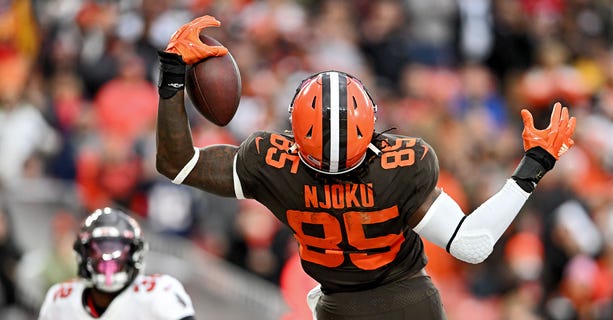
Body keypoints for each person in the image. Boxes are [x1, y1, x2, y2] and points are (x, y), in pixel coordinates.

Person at [155, 15, 576, 320]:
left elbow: (178, 164)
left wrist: (173, 79)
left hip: (338, 308)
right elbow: (471, 243)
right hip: (410, 306)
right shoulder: (402, 166)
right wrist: (534, 165)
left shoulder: (273, 164)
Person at [38, 207, 196, 320]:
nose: (107, 258)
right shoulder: (61, 300)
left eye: (117, 249)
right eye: (97, 249)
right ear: (83, 254)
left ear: (135, 252)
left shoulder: (158, 294)